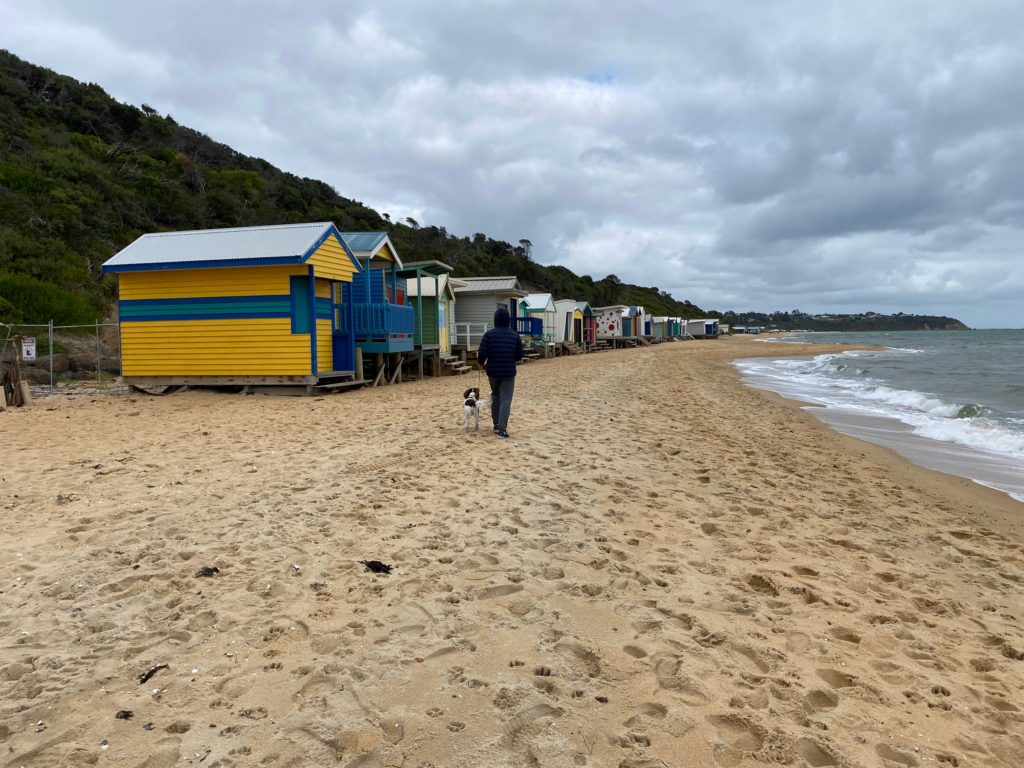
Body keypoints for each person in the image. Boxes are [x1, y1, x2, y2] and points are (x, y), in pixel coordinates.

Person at [477, 306, 524, 439]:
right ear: (508, 320)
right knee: (506, 400)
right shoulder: (515, 336)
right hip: (509, 372)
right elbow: (519, 355)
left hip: (492, 372)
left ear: (495, 320)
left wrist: (481, 362)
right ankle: (502, 429)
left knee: (496, 397)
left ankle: (496, 424)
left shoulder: (488, 335)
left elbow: (482, 354)